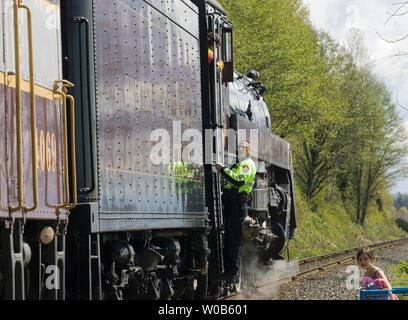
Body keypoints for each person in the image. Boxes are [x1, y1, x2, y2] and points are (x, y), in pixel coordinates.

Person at [215, 141, 256, 282]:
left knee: (233, 241)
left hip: (237, 206)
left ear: (248, 150)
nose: (240, 149)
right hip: (230, 204)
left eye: (243, 147)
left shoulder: (247, 165)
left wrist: (223, 169)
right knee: (228, 239)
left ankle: (232, 273)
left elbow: (238, 181)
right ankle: (227, 271)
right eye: (238, 147)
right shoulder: (238, 165)